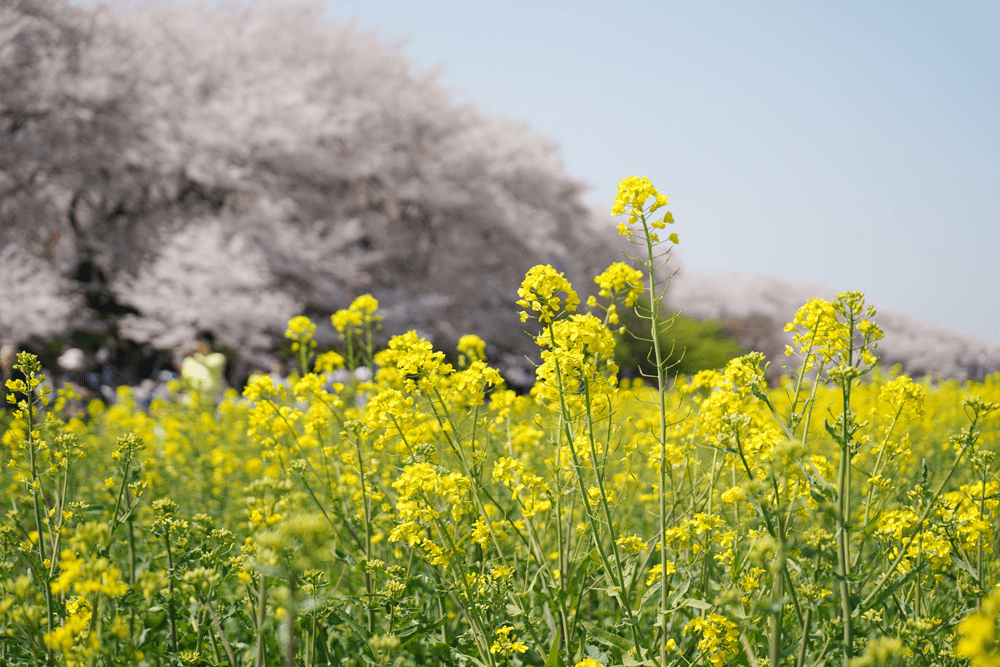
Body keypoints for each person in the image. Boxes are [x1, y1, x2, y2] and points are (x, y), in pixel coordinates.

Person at [180, 333, 227, 407]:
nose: (199, 346)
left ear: (209, 343)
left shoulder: (218, 357)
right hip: (191, 401)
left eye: (202, 343)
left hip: (211, 402)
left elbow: (210, 364)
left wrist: (195, 356)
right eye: (198, 343)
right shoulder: (189, 361)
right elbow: (184, 380)